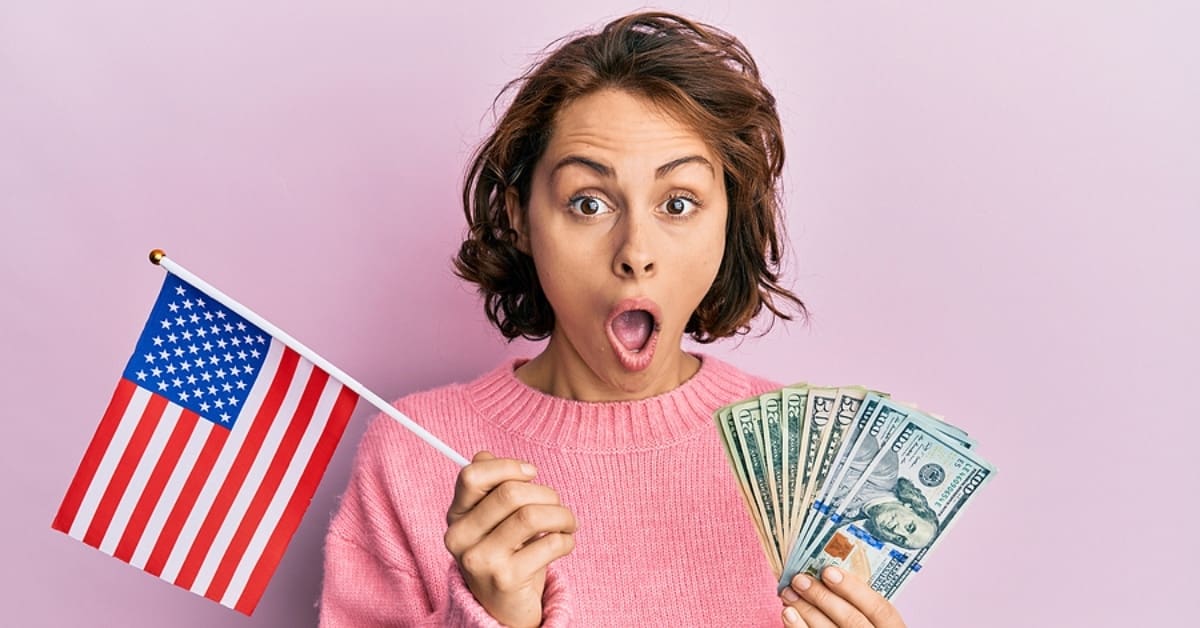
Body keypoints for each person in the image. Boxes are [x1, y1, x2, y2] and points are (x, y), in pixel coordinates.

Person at [318, 11, 909, 628]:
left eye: (678, 204)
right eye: (589, 203)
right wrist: (492, 619)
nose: (635, 252)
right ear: (519, 214)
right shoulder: (412, 452)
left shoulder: (816, 465)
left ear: (728, 220)